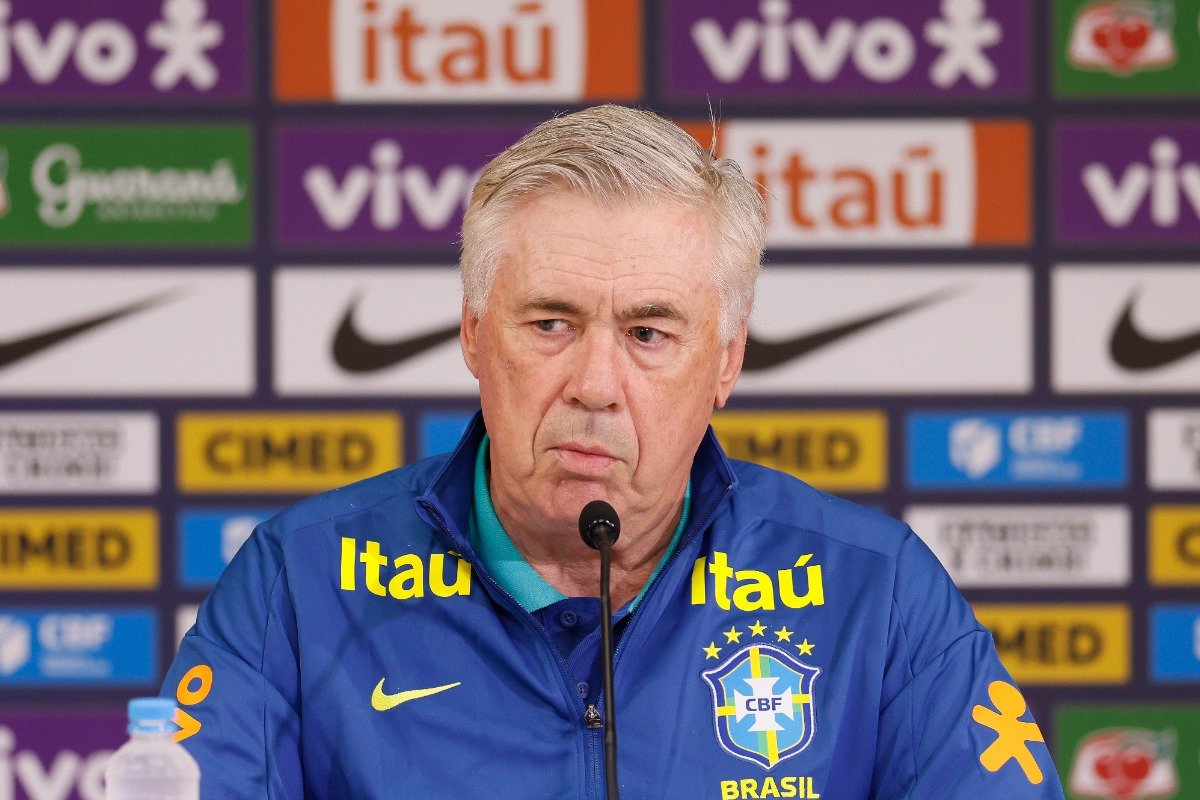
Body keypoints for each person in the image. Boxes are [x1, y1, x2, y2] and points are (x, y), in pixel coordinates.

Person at [162, 105, 1065, 800]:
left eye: (648, 333)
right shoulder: (300, 584)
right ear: (475, 336)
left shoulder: (877, 593)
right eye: (550, 323)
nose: (595, 383)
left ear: (725, 363)